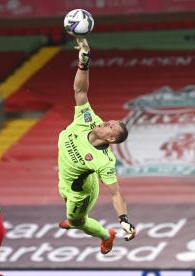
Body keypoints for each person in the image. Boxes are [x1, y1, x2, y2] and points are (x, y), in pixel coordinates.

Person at [57, 37, 136, 254]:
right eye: (109, 121)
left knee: (77, 220)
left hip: (82, 189)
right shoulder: (88, 118)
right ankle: (72, 217)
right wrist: (84, 61)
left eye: (110, 127)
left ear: (111, 139)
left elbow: (115, 193)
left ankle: (105, 235)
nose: (104, 122)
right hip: (67, 174)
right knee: (64, 196)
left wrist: (124, 220)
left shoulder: (105, 160)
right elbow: (80, 91)